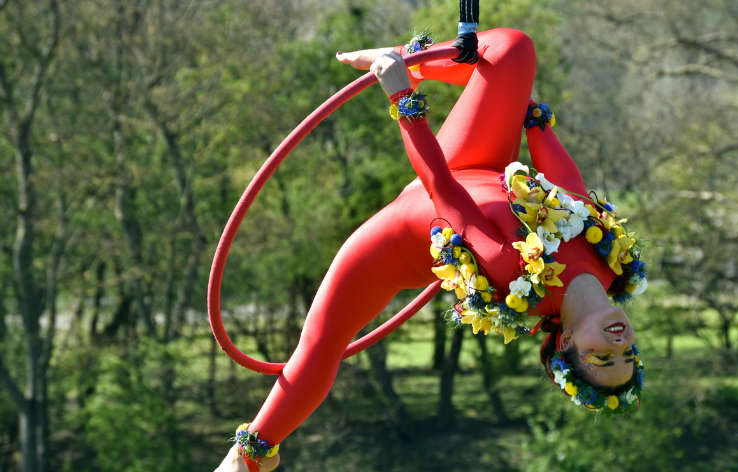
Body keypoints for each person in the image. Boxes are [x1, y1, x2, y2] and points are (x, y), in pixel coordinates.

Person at [218, 26, 646, 472]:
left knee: (320, 344)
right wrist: (531, 116)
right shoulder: (613, 264)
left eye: (603, 358)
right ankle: (400, 57)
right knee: (512, 50)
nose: (619, 346)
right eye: (627, 355)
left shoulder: (521, 280)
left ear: (568, 342)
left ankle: (250, 455)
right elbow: (570, 191)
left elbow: (444, 192)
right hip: (477, 163)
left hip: (400, 234)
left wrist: (402, 98)